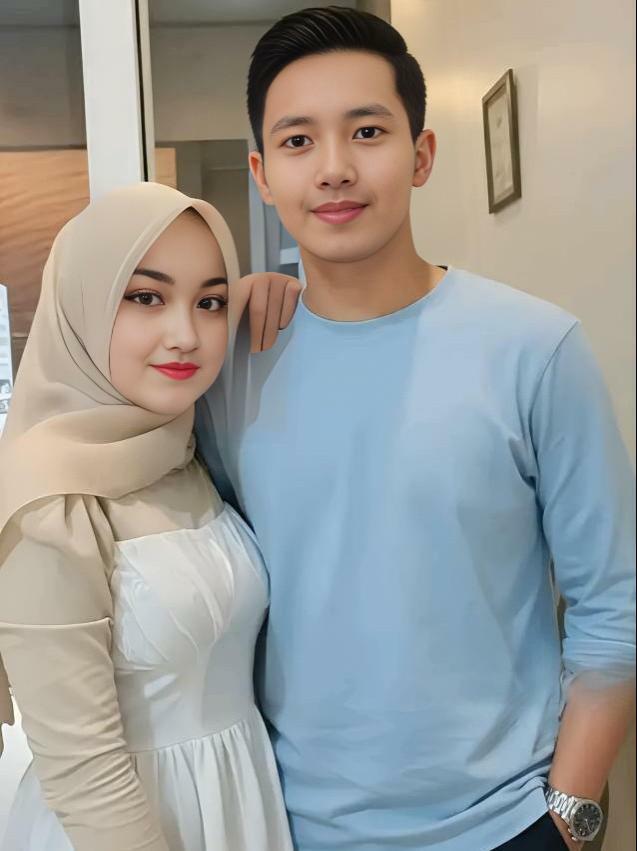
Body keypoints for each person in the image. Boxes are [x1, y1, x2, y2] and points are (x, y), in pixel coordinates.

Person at [196, 7, 636, 851]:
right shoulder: (231, 366)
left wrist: (568, 818)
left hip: (505, 823)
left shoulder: (533, 348)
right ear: (261, 173)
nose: (334, 168)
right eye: (297, 141)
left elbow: (613, 603)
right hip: (285, 827)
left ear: (421, 153)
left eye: (367, 131)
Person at [0, 181, 299, 851]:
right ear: (83, 303)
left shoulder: (177, 448)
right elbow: (82, 770)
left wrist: (266, 300)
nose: (186, 335)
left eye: (209, 302)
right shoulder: (49, 498)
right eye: (145, 297)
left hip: (236, 798)